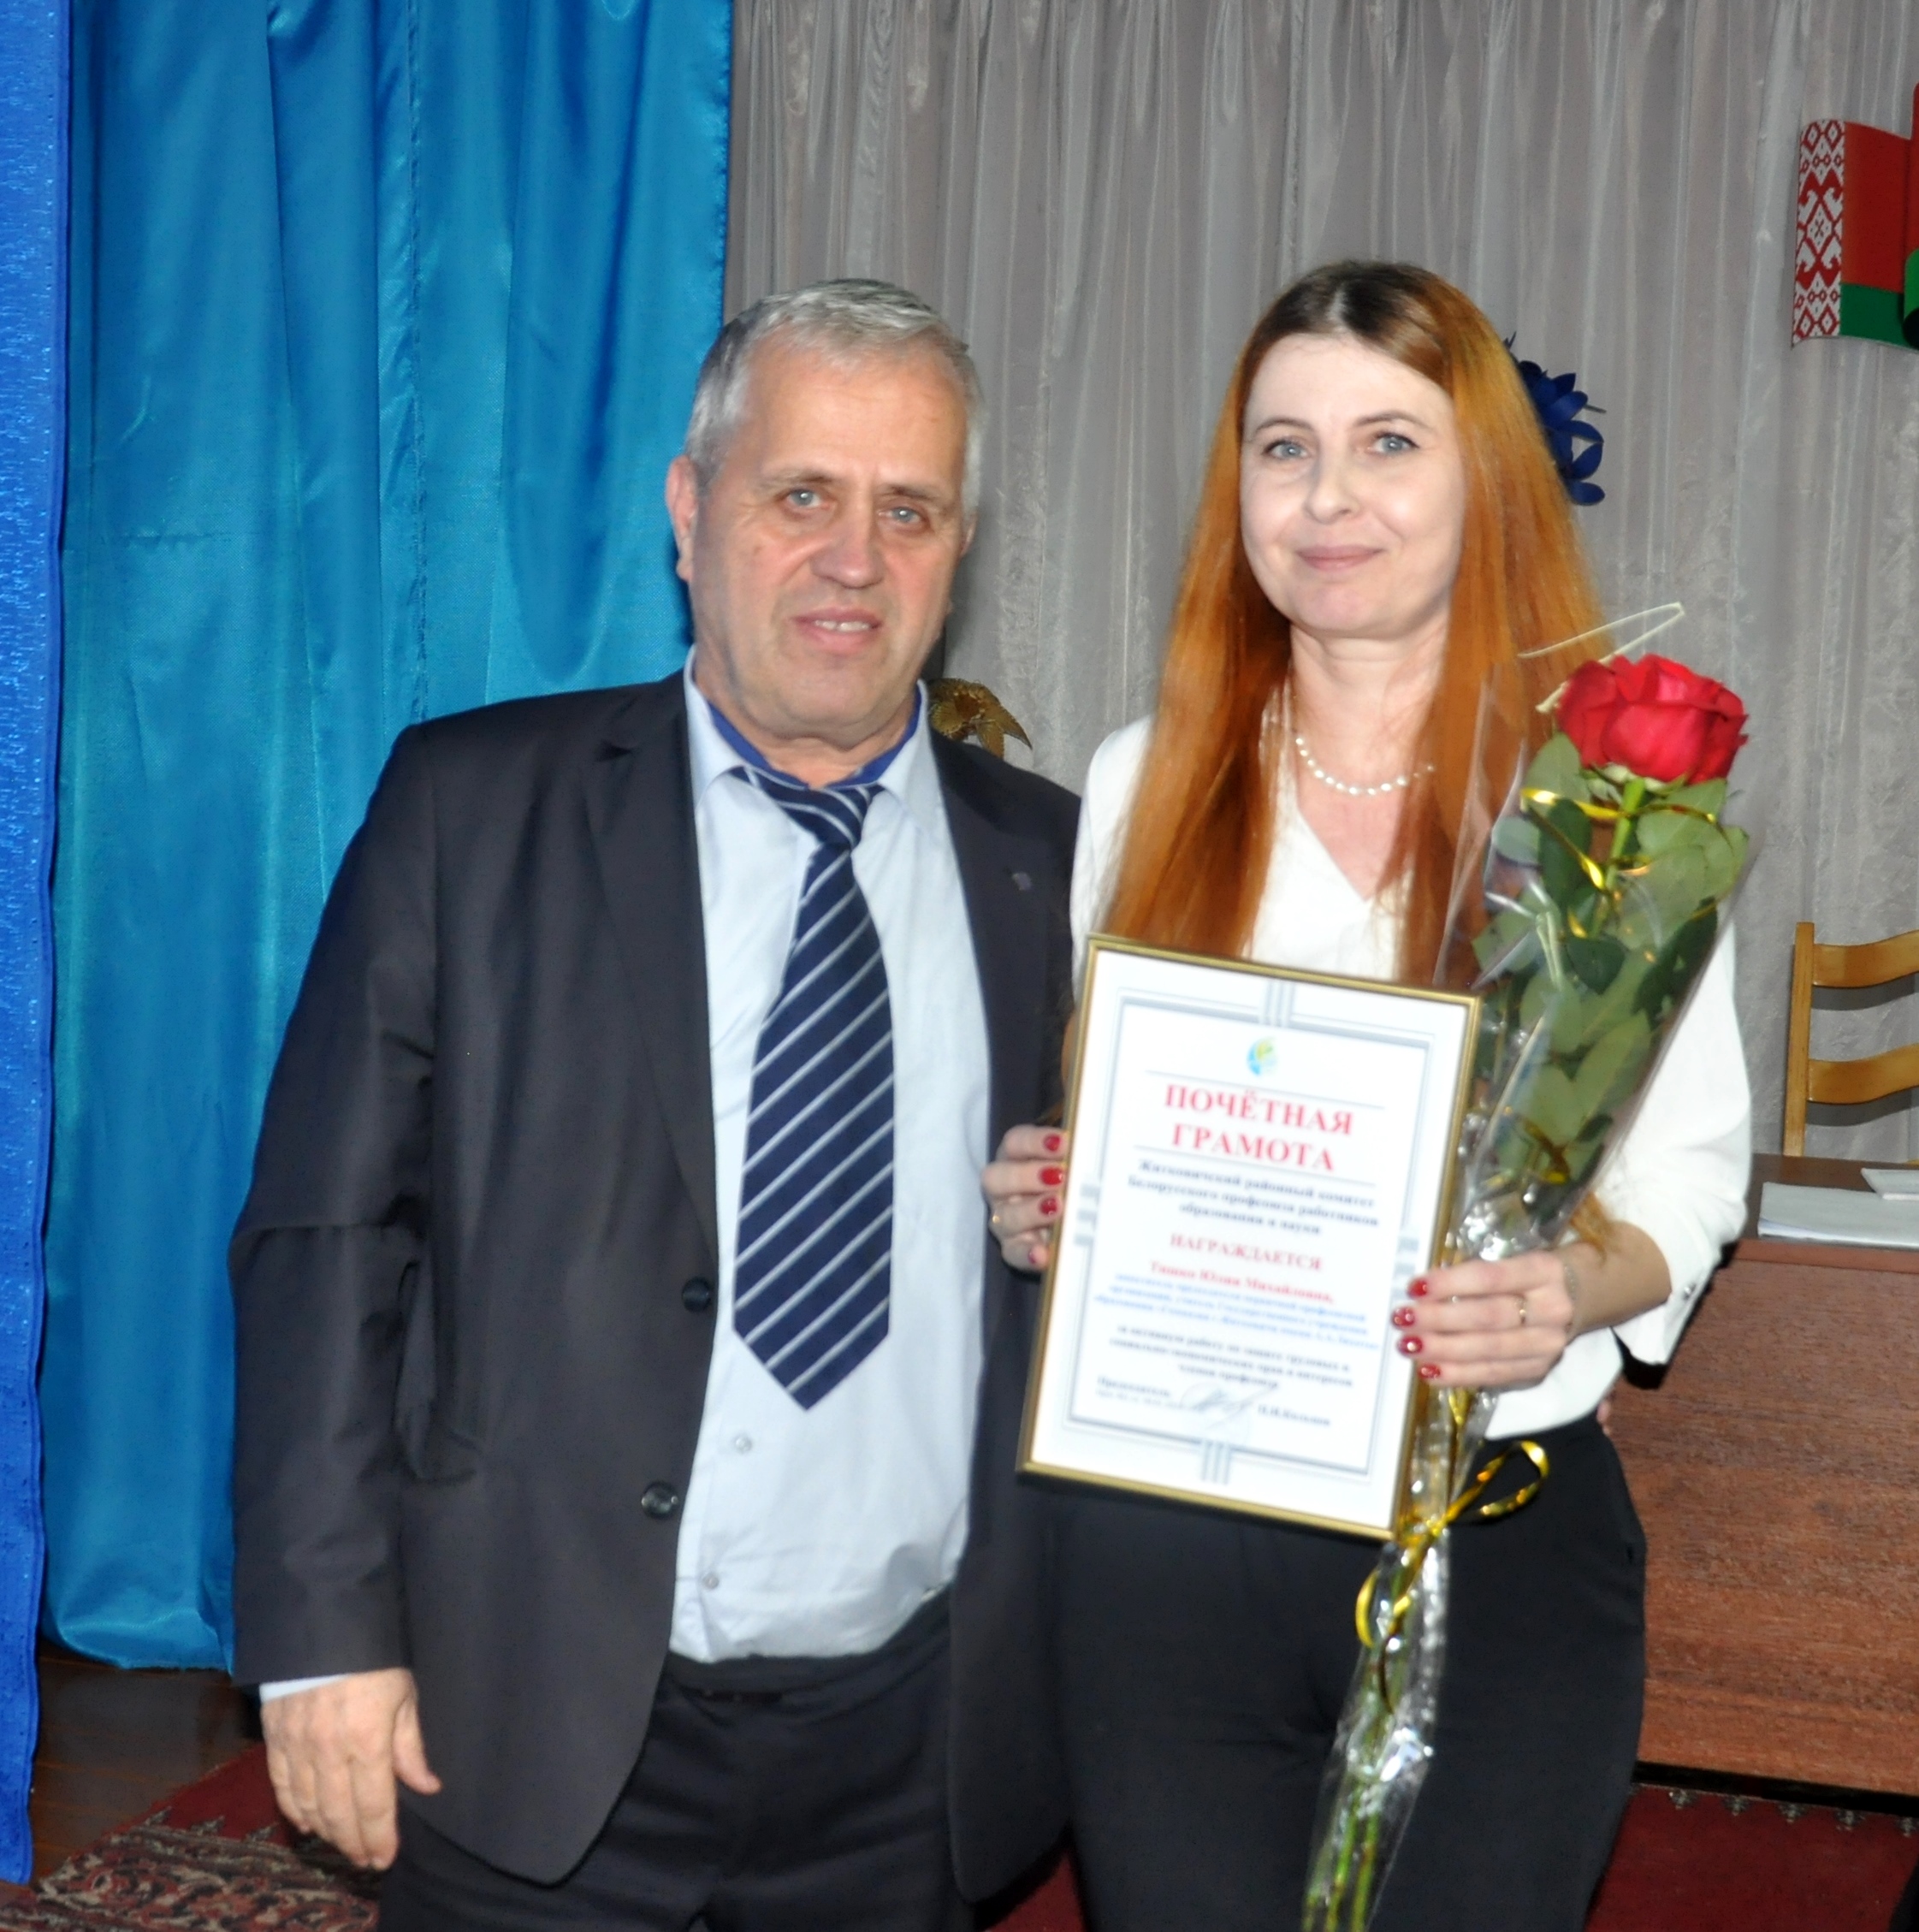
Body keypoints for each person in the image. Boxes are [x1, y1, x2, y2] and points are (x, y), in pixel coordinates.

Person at [231, 278, 1077, 1931]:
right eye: (802, 494)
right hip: (526, 1716)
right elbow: (328, 1238)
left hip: (911, 1754)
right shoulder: (467, 810)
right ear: (690, 511)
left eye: (908, 509)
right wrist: (323, 1633)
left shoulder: (1055, 864)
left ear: (959, 547)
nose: (855, 558)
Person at [983, 261, 1751, 1932]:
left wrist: (1561, 1292)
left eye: (1388, 443)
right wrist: (1053, 1194)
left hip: (1497, 1533)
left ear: (1483, 483)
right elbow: (1118, 1130)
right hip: (1167, 1555)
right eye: (1285, 449)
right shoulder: (1144, 775)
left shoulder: (1604, 803)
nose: (1328, 497)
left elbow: (1693, 1180)